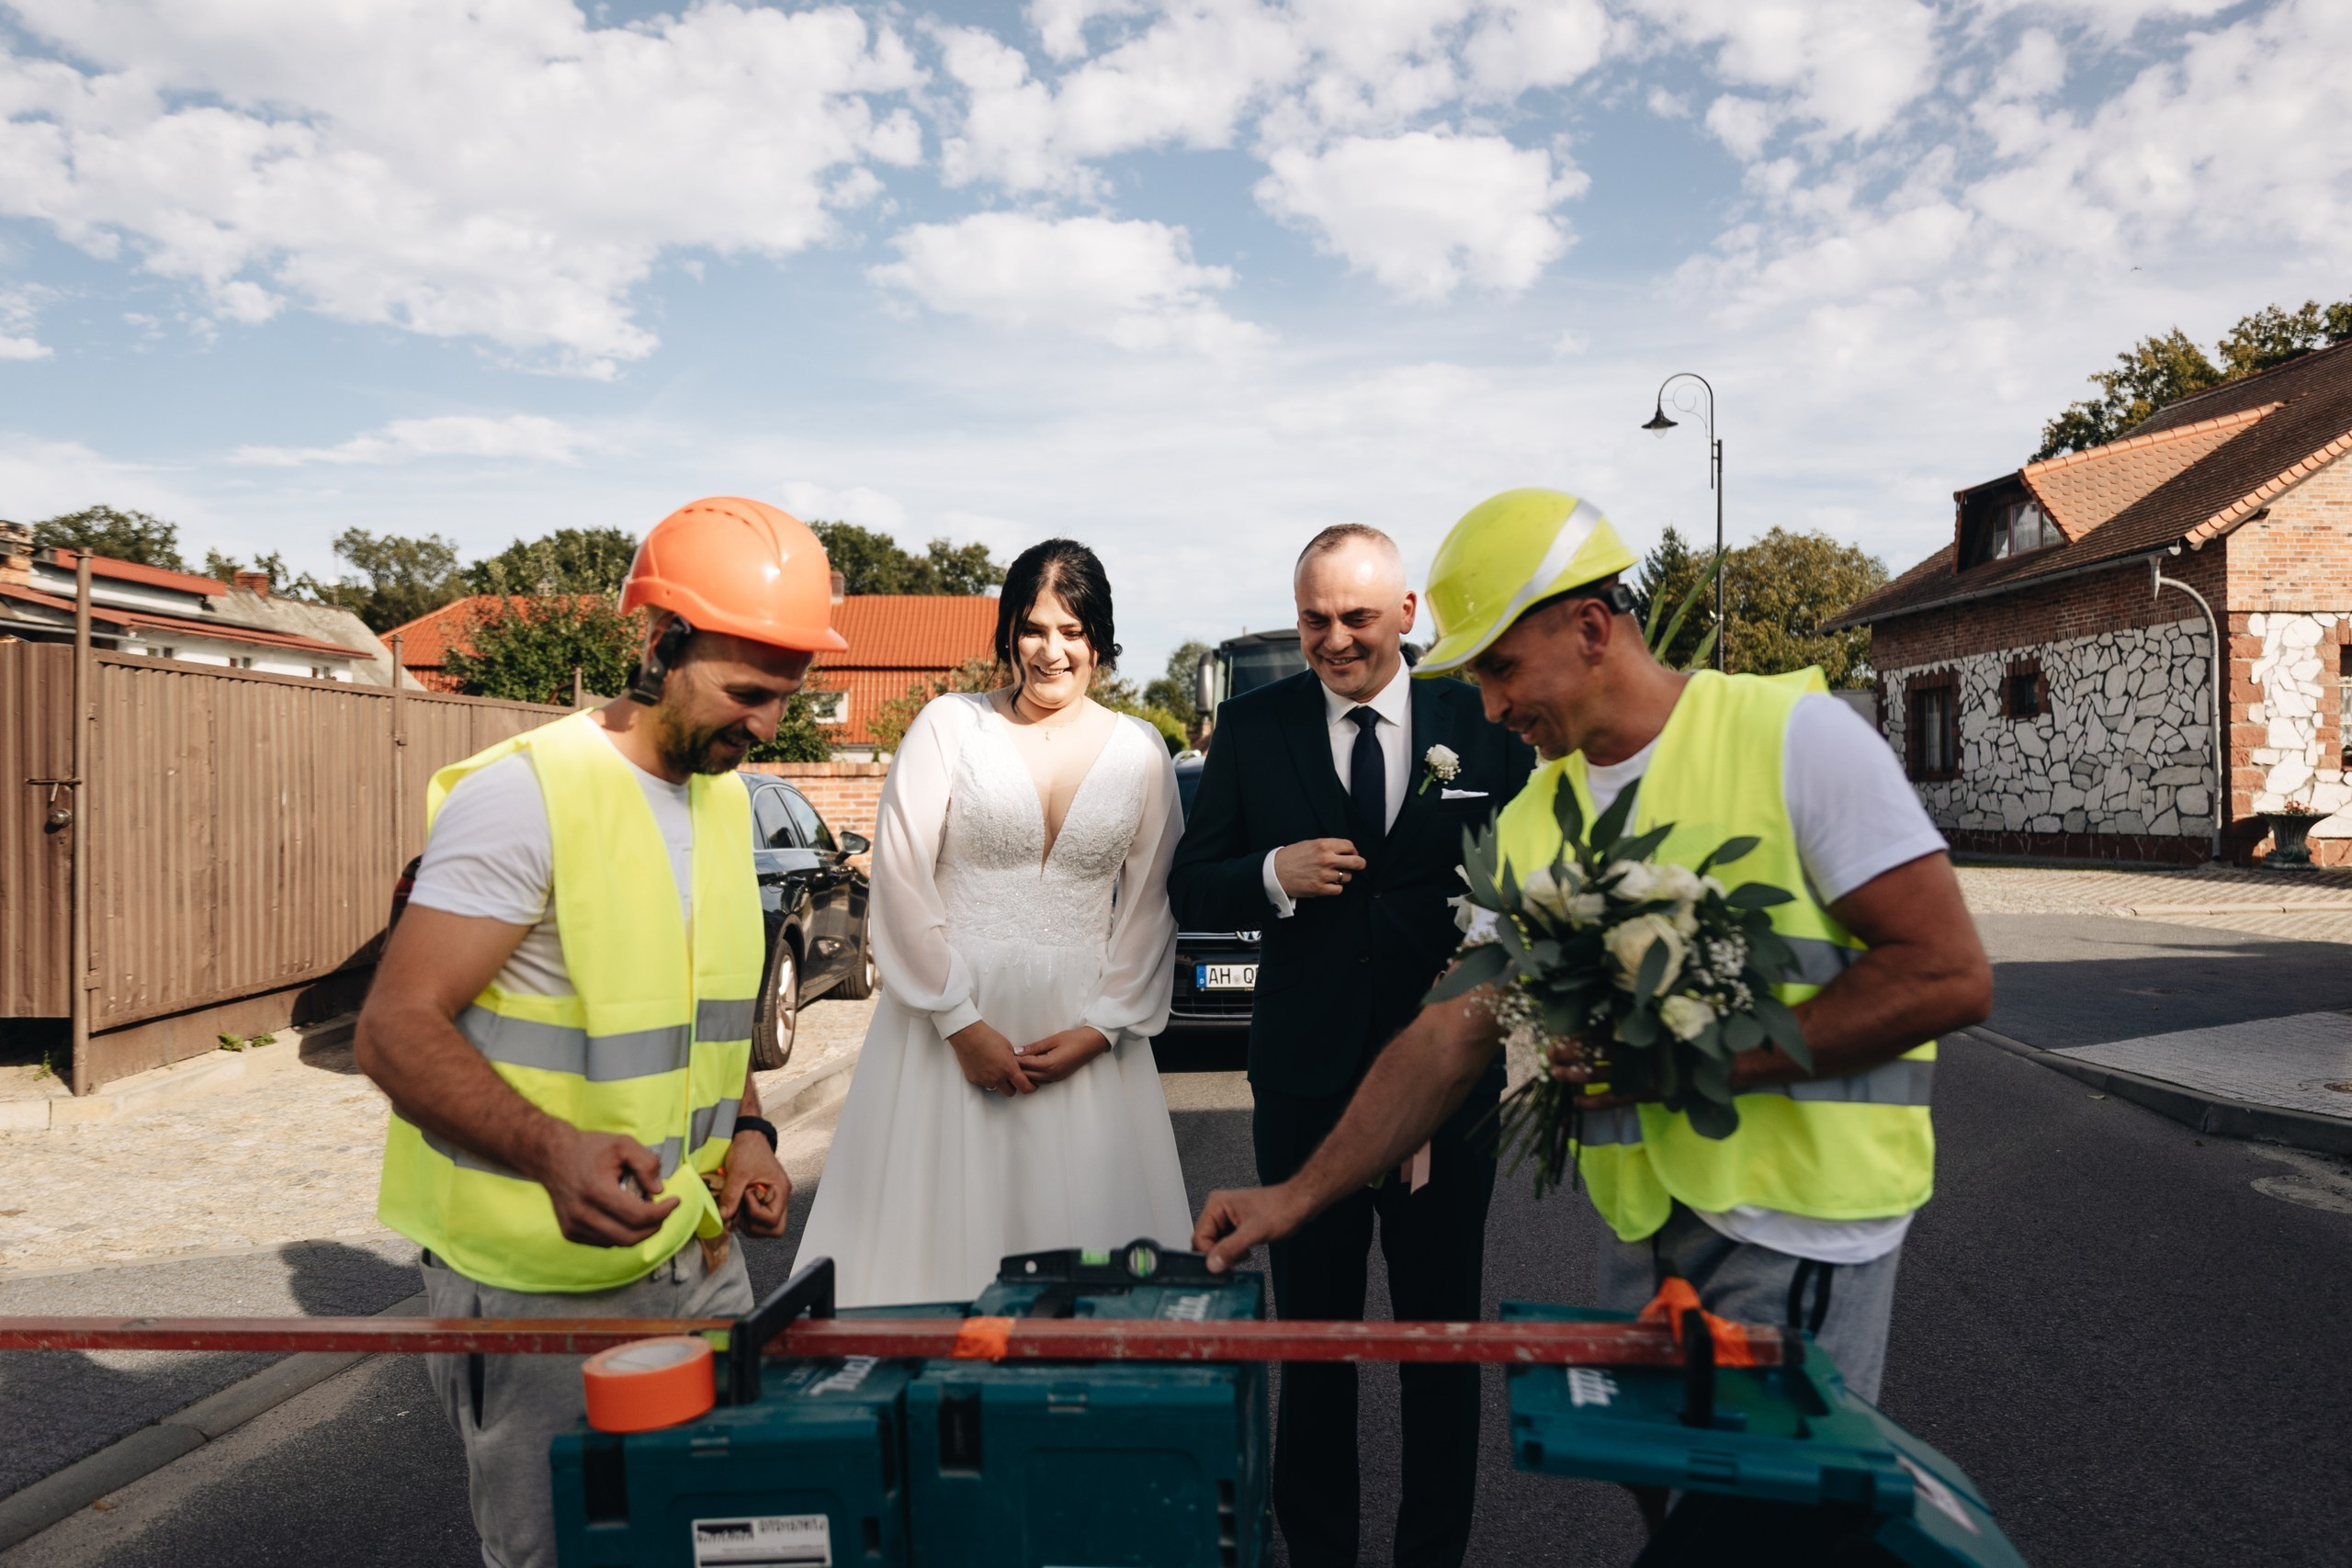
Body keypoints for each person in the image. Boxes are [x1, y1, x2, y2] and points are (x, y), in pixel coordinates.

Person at [1194, 488, 1993, 1441]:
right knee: (1660, 1489)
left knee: (1761, 1524)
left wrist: (1678, 1065)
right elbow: (1448, 1033)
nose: (1487, 705)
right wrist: (1294, 1195)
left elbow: (1947, 975)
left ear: (1588, 628)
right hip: (1645, 1234)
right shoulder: (1535, 817)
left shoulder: (1798, 739)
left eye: (1500, 669)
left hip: (1800, 1226)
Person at [356, 496, 842, 1568]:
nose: (765, 724)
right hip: (535, 1291)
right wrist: (551, 1153)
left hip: (697, 1259)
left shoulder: (721, 800)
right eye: (747, 693)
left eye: (785, 696)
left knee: (713, 1544)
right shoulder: (524, 797)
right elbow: (393, 1031)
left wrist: (750, 1136)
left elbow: (702, 1027)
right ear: (658, 643)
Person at [1168, 525, 1533, 1568]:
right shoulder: (1251, 725)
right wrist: (1271, 872)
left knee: (1437, 1345)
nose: (1334, 641)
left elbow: (1527, 870)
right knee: (1314, 1345)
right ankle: (1318, 1553)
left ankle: (1431, 1555)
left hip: (1450, 1085)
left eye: (1357, 619)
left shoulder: (1481, 717)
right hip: (1304, 1082)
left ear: (1407, 615)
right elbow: (1193, 882)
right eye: (1314, 619)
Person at [793, 538, 1190, 1307]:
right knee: (937, 1245)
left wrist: (1103, 1028)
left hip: (1081, 1035)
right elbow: (902, 877)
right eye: (1034, 628)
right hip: (947, 1034)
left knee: (1086, 1251)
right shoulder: (948, 726)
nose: (1052, 651)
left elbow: (1151, 903)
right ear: (1008, 632)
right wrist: (958, 1021)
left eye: (1072, 632)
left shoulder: (1142, 750)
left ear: (1100, 640)